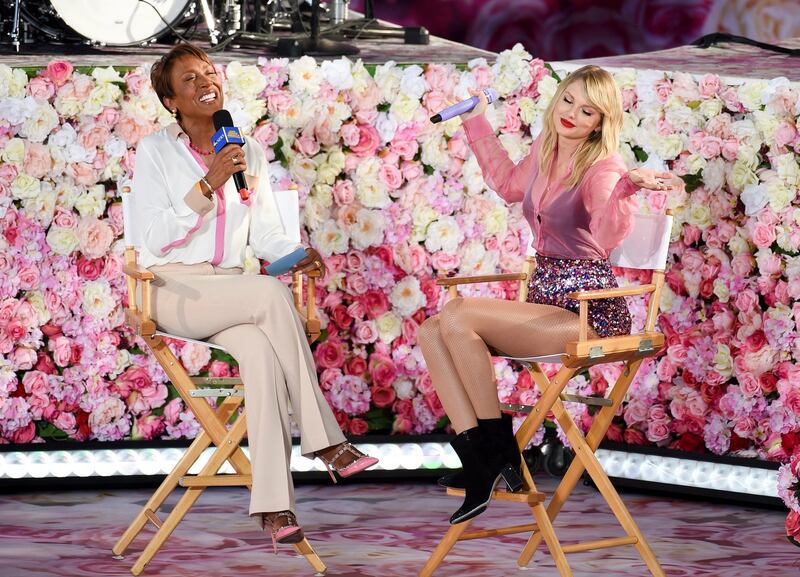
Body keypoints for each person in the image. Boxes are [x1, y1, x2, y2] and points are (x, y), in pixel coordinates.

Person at [132, 43, 378, 550]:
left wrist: (295, 252)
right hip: (169, 287)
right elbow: (153, 238)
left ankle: (273, 506)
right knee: (267, 292)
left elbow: (263, 234)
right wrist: (209, 182)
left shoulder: (246, 147)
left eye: (208, 72)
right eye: (188, 80)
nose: (205, 82)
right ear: (170, 101)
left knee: (264, 357)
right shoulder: (155, 151)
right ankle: (327, 441)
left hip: (228, 290)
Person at [418, 65, 681, 525]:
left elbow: (607, 233)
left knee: (457, 314)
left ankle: (496, 456)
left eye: (588, 111)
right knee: (431, 328)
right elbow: (507, 184)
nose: (573, 115)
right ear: (556, 98)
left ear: (601, 122)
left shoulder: (605, 168)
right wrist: (475, 119)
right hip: (546, 302)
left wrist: (625, 188)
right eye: (569, 101)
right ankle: (484, 458)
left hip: (588, 313)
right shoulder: (546, 147)